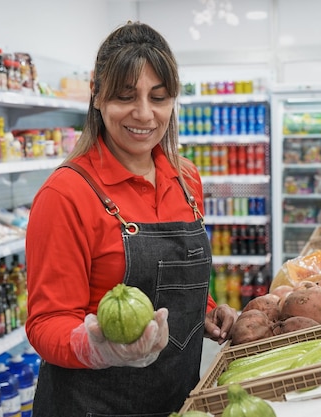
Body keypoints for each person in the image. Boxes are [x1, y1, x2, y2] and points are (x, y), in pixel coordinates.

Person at [25, 21, 238, 416]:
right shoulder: (66, 194)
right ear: (97, 96)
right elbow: (46, 321)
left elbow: (172, 284)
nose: (144, 114)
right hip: (90, 405)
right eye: (126, 96)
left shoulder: (186, 178)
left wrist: (207, 309)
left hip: (178, 400)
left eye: (158, 97)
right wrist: (96, 347)